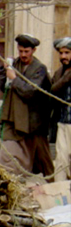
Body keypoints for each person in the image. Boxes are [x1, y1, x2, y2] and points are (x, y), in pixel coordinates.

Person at [0, 34, 54, 181]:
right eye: (20, 51)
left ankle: (55, 188)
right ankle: (9, 183)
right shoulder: (15, 64)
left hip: (33, 123)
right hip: (13, 119)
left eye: (26, 51)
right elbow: (4, 88)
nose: (23, 55)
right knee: (7, 156)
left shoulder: (39, 69)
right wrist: (3, 71)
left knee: (43, 160)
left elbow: (30, 92)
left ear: (33, 50)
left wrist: (14, 78)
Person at [51, 37, 71, 182]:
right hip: (62, 122)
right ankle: (62, 196)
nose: (63, 56)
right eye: (61, 53)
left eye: (67, 53)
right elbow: (52, 91)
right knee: (61, 159)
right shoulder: (59, 74)